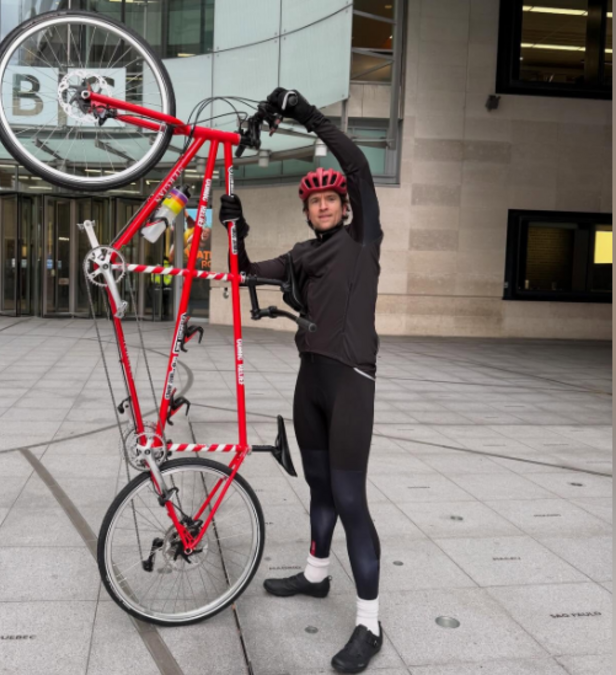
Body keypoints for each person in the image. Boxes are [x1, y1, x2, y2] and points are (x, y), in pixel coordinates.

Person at [219, 87, 384, 674]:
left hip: (349, 383)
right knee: (317, 488)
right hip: (309, 381)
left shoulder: (363, 242)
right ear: (306, 210)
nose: (324, 206)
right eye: (314, 202)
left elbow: (359, 166)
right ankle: (316, 576)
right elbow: (242, 273)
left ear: (343, 204)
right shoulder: (299, 255)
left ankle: (369, 622)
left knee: (350, 499)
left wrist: (308, 115)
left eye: (331, 198)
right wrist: (234, 227)